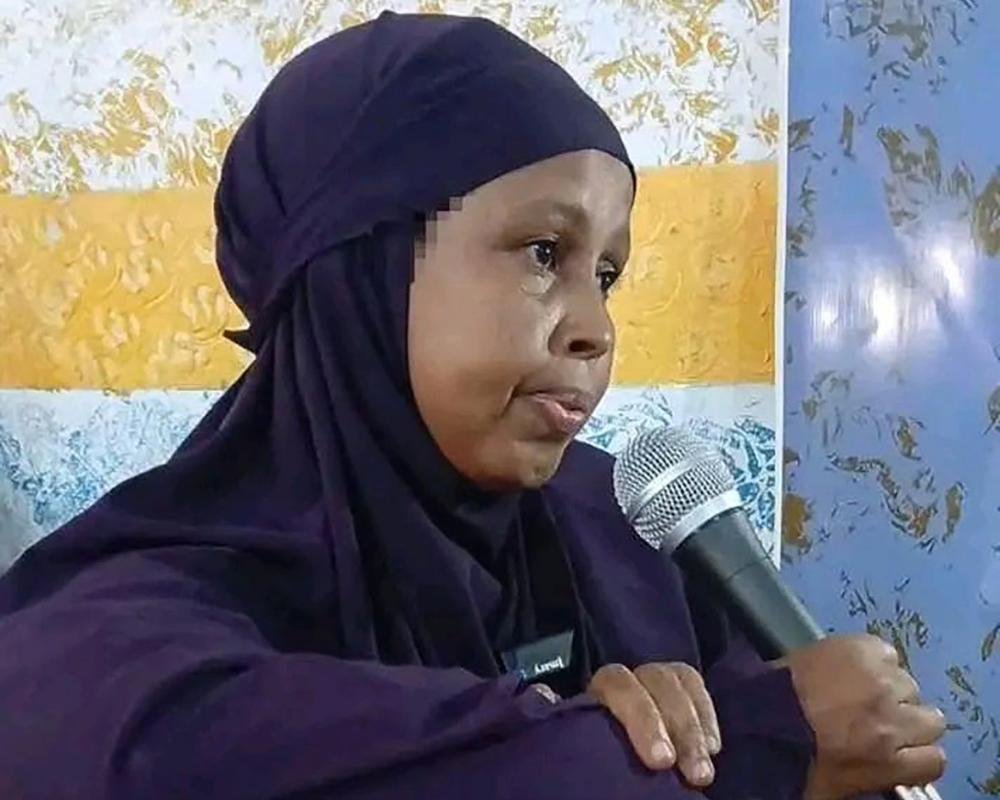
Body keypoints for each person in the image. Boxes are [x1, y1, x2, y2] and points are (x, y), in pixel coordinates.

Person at [0, 11, 946, 800]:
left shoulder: (628, 529)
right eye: (544, 252)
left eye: (607, 275)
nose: (595, 329)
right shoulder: (126, 620)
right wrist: (725, 754)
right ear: (359, 267)